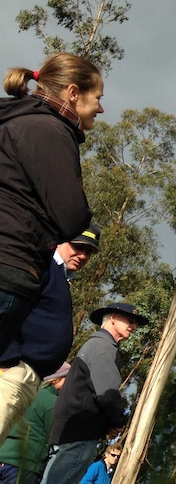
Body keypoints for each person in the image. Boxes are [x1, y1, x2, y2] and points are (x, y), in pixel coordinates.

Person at [14, 301, 147, 484]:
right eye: (129, 320)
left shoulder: (96, 346)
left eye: (135, 323)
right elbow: (108, 394)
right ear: (112, 319)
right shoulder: (102, 348)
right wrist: (116, 422)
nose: (133, 326)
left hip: (68, 430)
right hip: (79, 434)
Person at [0, 52, 98, 365]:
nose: (100, 107)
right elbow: (72, 216)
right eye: (97, 97)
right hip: (9, 268)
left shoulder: (13, 120)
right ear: (73, 92)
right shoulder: (49, 130)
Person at [0, 222, 101, 445]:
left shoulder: (59, 278)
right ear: (60, 241)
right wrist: (9, 360)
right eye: (78, 246)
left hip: (27, 378)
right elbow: (9, 303)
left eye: (89, 252)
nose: (82, 255)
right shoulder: (41, 265)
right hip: (13, 372)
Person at [0, 362, 69, 484]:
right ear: (58, 379)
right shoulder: (53, 404)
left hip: (3, 454)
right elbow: (54, 436)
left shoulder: (31, 391)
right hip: (25, 464)